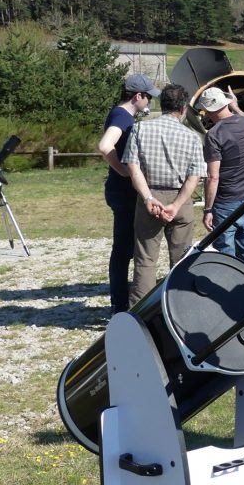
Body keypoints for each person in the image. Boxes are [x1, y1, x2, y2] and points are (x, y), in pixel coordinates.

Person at [122, 83, 207, 307]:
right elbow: (195, 176)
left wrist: (148, 198)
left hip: (150, 197)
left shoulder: (140, 129)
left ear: (162, 104)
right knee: (181, 261)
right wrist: (177, 205)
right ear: (183, 108)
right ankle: (182, 309)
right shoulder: (192, 137)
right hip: (181, 199)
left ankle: (140, 314)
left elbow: (132, 167)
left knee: (145, 260)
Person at [97, 73, 159, 315]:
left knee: (126, 248)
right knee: (123, 250)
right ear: (138, 96)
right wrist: (124, 170)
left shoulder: (120, 115)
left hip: (121, 191)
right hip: (123, 192)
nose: (150, 103)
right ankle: (120, 304)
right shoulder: (122, 116)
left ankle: (122, 301)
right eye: (148, 98)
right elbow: (104, 146)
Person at [199, 86, 244, 271]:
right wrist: (236, 106)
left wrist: (208, 209)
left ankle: (225, 295)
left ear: (208, 110)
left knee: (226, 254)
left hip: (226, 202)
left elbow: (213, 176)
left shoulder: (214, 134)